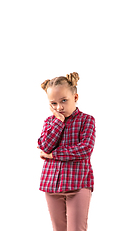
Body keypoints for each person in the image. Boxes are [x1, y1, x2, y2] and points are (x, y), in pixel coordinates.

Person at [38, 72, 95, 231]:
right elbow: (44, 146)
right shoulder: (50, 122)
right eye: (54, 103)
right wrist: (59, 121)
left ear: (75, 98)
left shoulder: (87, 120)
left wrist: (53, 155)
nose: (59, 107)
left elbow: (84, 149)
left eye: (63, 101)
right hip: (51, 185)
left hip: (77, 184)